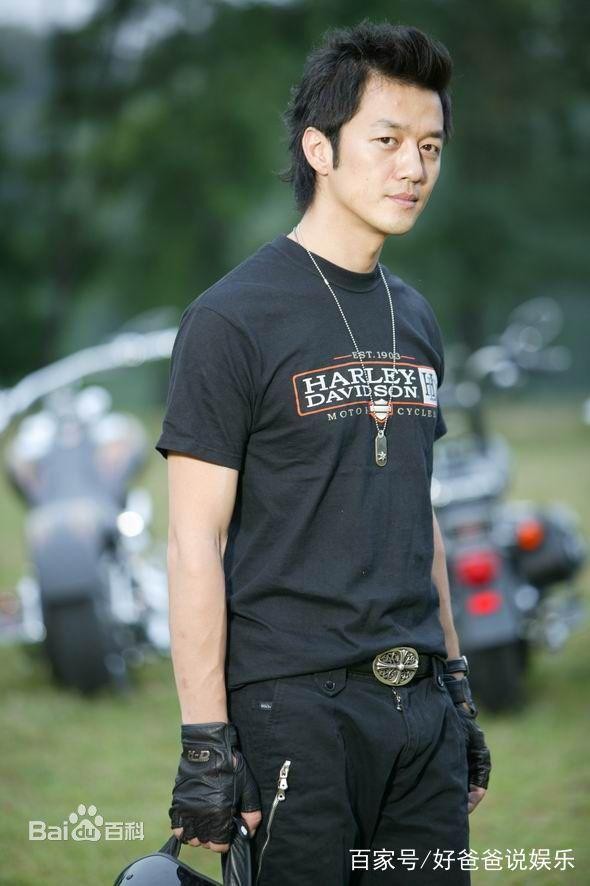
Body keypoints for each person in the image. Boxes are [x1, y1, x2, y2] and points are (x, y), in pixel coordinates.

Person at [155, 20, 491, 886]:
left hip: (420, 709)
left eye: (430, 146)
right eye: (388, 141)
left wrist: (455, 683)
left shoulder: (415, 316)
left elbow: (417, 512)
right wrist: (206, 743)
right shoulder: (230, 320)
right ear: (320, 149)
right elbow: (194, 542)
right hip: (293, 710)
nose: (414, 168)